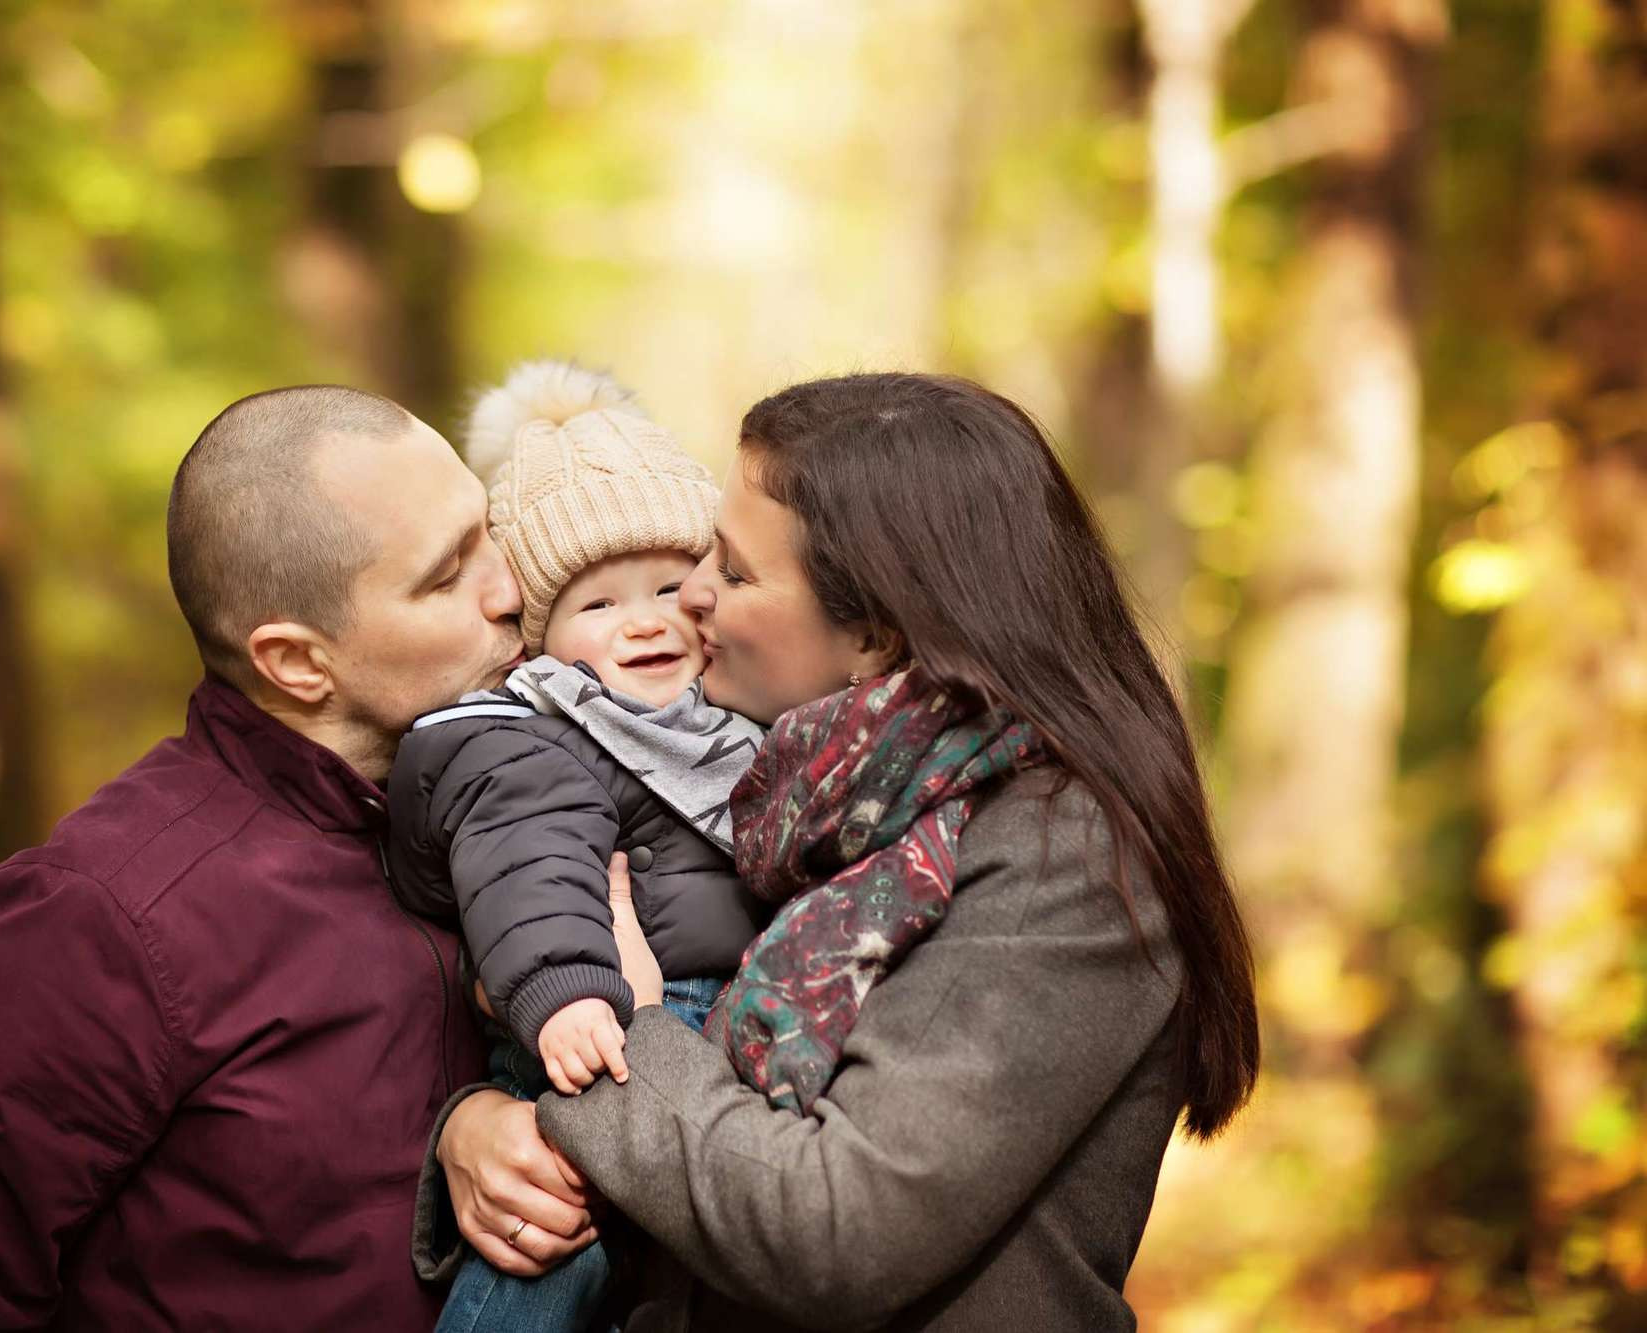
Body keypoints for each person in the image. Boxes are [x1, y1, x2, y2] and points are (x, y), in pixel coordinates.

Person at [430, 371, 1262, 1329]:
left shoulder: (1059, 854)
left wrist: (631, 1035)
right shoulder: (811, 803)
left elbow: (836, 1230)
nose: (690, 594)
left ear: (873, 635)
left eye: (732, 571)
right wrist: (476, 1129)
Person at [0, 386, 595, 1331]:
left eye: (488, 532)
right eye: (445, 578)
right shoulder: (96, 920)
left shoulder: (538, 793)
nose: (511, 588)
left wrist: (464, 1120)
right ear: (298, 662)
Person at [386, 363, 770, 1331]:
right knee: (553, 1236)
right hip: (586, 1029)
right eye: (597, 605)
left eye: (670, 586)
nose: (643, 620)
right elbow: (530, 864)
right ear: (541, 639)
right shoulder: (540, 735)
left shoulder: (732, 717)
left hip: (709, 1041)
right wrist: (565, 989)